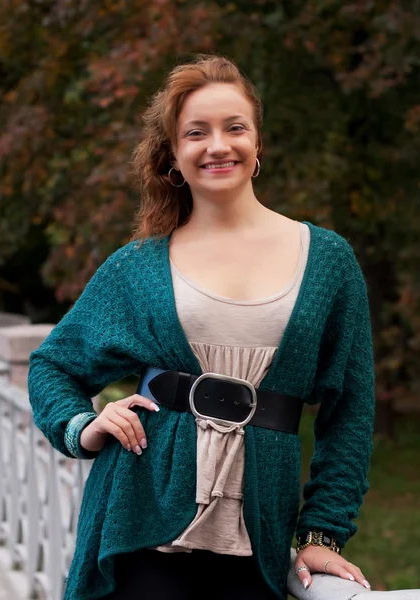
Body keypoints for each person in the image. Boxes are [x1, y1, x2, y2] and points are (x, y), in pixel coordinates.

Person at [28, 54, 375, 600]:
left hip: (257, 541)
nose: (218, 145)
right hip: (140, 528)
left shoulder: (328, 260)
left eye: (235, 127)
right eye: (197, 133)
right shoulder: (137, 267)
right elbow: (54, 365)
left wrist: (322, 532)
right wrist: (84, 427)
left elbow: (350, 407)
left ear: (257, 143)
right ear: (173, 156)